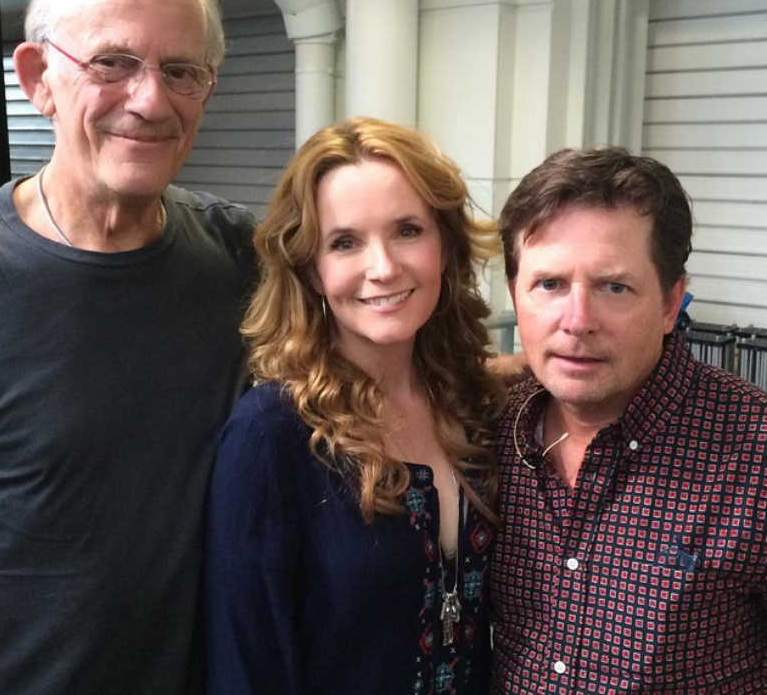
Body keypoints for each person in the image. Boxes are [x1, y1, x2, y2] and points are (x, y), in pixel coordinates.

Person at [0, 0, 257, 695]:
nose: (150, 99)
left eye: (181, 71)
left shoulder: (240, 257)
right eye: (113, 62)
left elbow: (386, 359)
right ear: (39, 78)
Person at [205, 117, 504, 695]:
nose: (384, 267)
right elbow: (246, 664)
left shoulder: (474, 405)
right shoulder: (271, 433)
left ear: (445, 246)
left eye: (408, 230)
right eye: (345, 242)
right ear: (310, 269)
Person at [490, 146, 767, 694]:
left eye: (614, 286)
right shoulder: (487, 429)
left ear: (671, 303)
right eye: (549, 284)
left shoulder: (755, 452)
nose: (577, 321)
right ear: (516, 297)